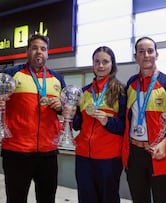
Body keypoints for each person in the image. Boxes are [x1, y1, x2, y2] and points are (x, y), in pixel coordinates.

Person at [0, 34, 66, 203]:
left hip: (48, 152)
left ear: (48, 54)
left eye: (43, 49)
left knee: (47, 199)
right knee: (16, 199)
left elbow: (67, 108)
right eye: (35, 48)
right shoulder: (11, 74)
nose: (39, 52)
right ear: (27, 51)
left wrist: (61, 106)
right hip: (16, 151)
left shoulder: (57, 79)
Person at [121, 36, 166, 203]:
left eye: (150, 51)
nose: (146, 55)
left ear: (157, 54)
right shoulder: (131, 84)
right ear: (135, 57)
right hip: (135, 155)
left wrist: (165, 142)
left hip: (161, 153)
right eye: (141, 52)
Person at [72, 46, 126, 203]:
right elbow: (77, 124)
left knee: (108, 198)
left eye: (105, 62)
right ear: (93, 64)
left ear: (112, 64)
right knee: (86, 198)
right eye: (97, 62)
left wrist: (107, 121)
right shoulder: (84, 92)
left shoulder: (120, 91)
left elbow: (124, 126)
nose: (101, 66)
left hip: (108, 157)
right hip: (83, 156)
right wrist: (69, 115)